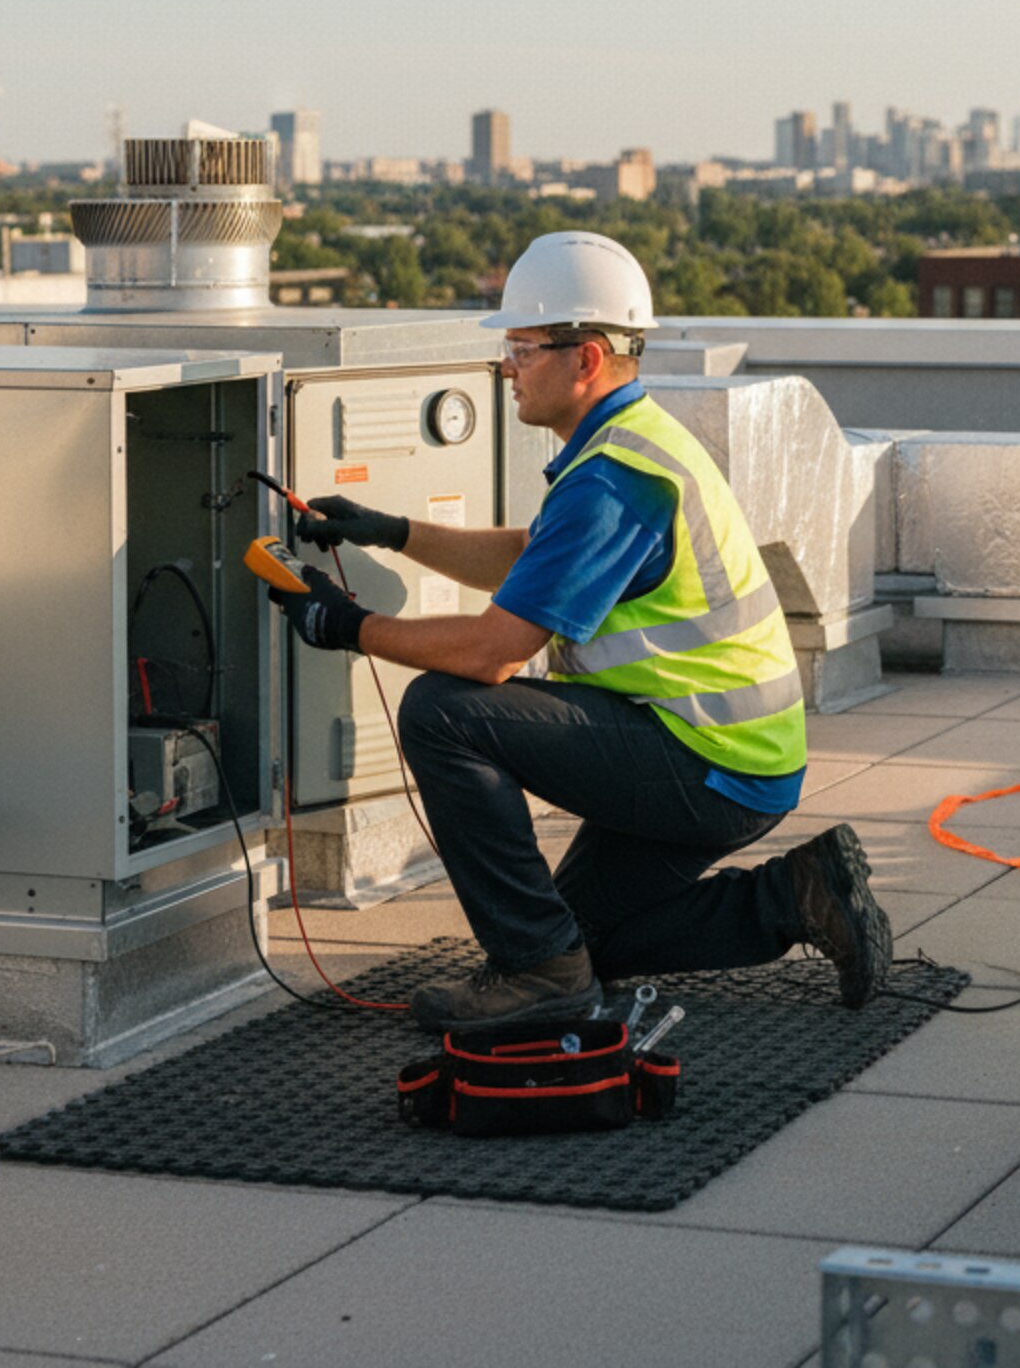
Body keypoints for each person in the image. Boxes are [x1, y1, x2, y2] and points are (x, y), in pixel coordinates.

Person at [265, 229, 892, 1033]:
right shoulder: (628, 444)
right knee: (587, 937)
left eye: (524, 347)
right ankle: (801, 896)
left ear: (586, 358)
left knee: (441, 711)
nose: (507, 367)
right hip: (733, 757)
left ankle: (535, 975)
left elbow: (493, 654)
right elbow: (535, 561)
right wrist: (392, 531)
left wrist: (350, 625)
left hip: (704, 762)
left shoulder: (614, 480)